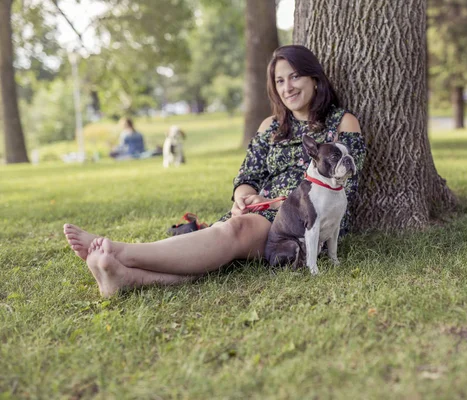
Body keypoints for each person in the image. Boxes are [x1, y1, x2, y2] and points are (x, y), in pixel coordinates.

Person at [64, 45, 366, 297]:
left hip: (298, 222)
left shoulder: (342, 124)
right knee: (220, 252)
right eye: (279, 81)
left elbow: (344, 187)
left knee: (235, 231)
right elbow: (248, 176)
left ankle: (122, 252)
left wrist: (278, 203)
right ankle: (123, 277)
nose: (287, 87)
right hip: (256, 212)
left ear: (315, 78)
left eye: (295, 76)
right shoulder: (269, 127)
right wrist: (243, 197)